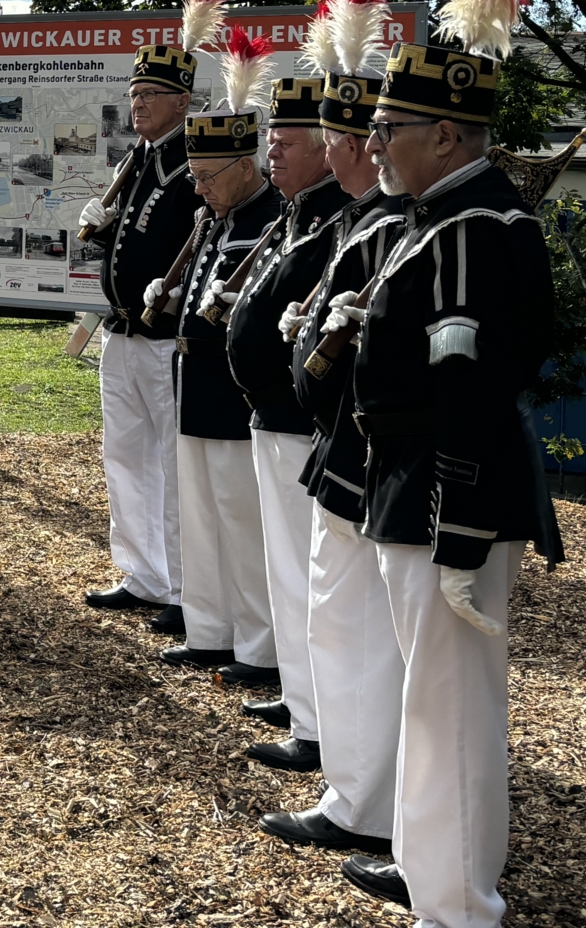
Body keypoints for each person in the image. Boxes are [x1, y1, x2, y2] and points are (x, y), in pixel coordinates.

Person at [334, 0, 561, 925]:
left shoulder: (476, 230)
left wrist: (462, 525)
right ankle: (434, 869)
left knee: (452, 708)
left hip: (446, 497)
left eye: (394, 126)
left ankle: (459, 904)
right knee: (430, 701)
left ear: (452, 136)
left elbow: (471, 386)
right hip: (416, 490)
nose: (376, 142)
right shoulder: (437, 218)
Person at [262, 0, 407, 861]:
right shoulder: (366, 219)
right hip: (336, 450)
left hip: (368, 458)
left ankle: (368, 798)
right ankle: (353, 785)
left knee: (363, 640)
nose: (366, 149)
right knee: (337, 626)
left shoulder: (389, 221)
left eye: (346, 135)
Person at [77, 0, 217, 630]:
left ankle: (186, 591)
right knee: (126, 458)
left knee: (172, 466)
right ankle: (142, 574)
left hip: (165, 339)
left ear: (182, 101)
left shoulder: (193, 162)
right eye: (133, 92)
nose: (137, 102)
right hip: (121, 333)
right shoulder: (137, 160)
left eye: (151, 94)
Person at [219, 76, 348, 767]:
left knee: (308, 578)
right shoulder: (299, 212)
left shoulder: (336, 218)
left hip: (301, 421)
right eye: (269, 143)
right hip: (271, 416)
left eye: (288, 143)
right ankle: (301, 696)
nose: (274, 155)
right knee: (287, 573)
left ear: (328, 152)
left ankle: (320, 722)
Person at [160, 28, 283, 684]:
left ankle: (259, 648)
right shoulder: (217, 216)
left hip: (234, 391)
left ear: (244, 165)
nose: (200, 189)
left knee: (243, 525)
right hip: (192, 380)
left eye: (209, 176)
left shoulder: (270, 218)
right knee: (199, 517)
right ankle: (209, 630)